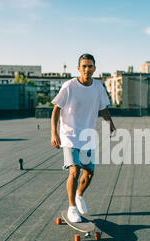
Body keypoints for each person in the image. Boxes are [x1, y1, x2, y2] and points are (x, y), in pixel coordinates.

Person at [50, 53, 116, 223]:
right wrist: (54, 132)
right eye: (84, 66)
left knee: (90, 172)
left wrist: (110, 124)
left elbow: (103, 108)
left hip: (87, 136)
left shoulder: (98, 88)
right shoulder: (69, 86)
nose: (87, 69)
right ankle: (72, 207)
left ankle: (79, 195)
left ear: (95, 68)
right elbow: (56, 109)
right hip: (69, 135)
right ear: (78, 68)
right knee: (74, 170)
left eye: (90, 66)